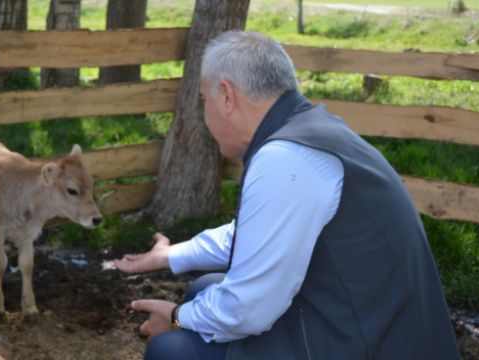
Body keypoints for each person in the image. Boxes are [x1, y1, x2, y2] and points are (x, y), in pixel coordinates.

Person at [114, 31, 460, 360]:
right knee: (204, 288)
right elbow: (261, 232)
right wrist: (172, 256)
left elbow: (248, 307)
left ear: (227, 96)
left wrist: (176, 317)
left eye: (205, 100)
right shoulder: (310, 133)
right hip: (368, 322)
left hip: (367, 344)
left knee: (171, 350)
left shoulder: (285, 157)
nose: (205, 114)